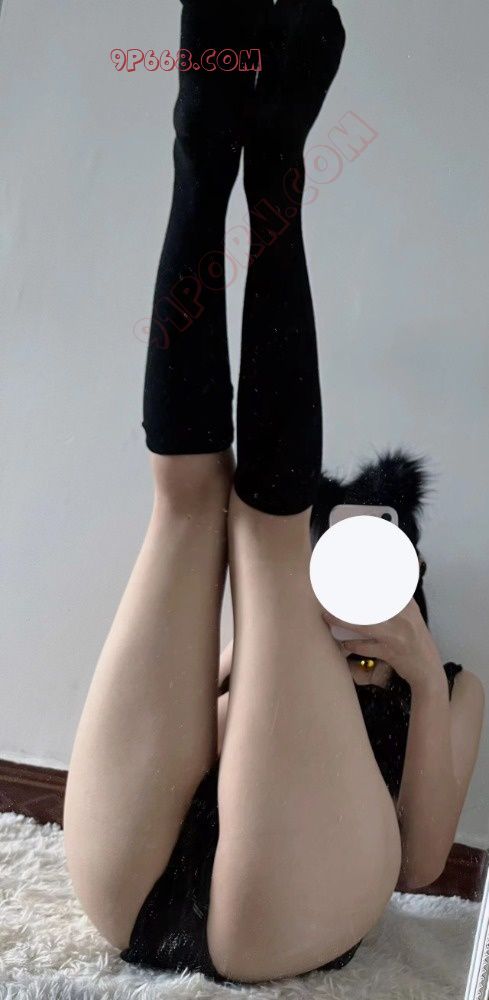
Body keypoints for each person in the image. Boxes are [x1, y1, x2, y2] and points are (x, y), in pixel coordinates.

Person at [62, 0, 484, 987]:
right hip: (141, 868)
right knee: (191, 508)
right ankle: (210, 146)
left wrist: (420, 677)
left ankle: (267, 160)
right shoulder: (272, 622)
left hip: (287, 911)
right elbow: (194, 734)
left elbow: (420, 864)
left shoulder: (450, 683)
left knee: (254, 531)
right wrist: (252, 653)